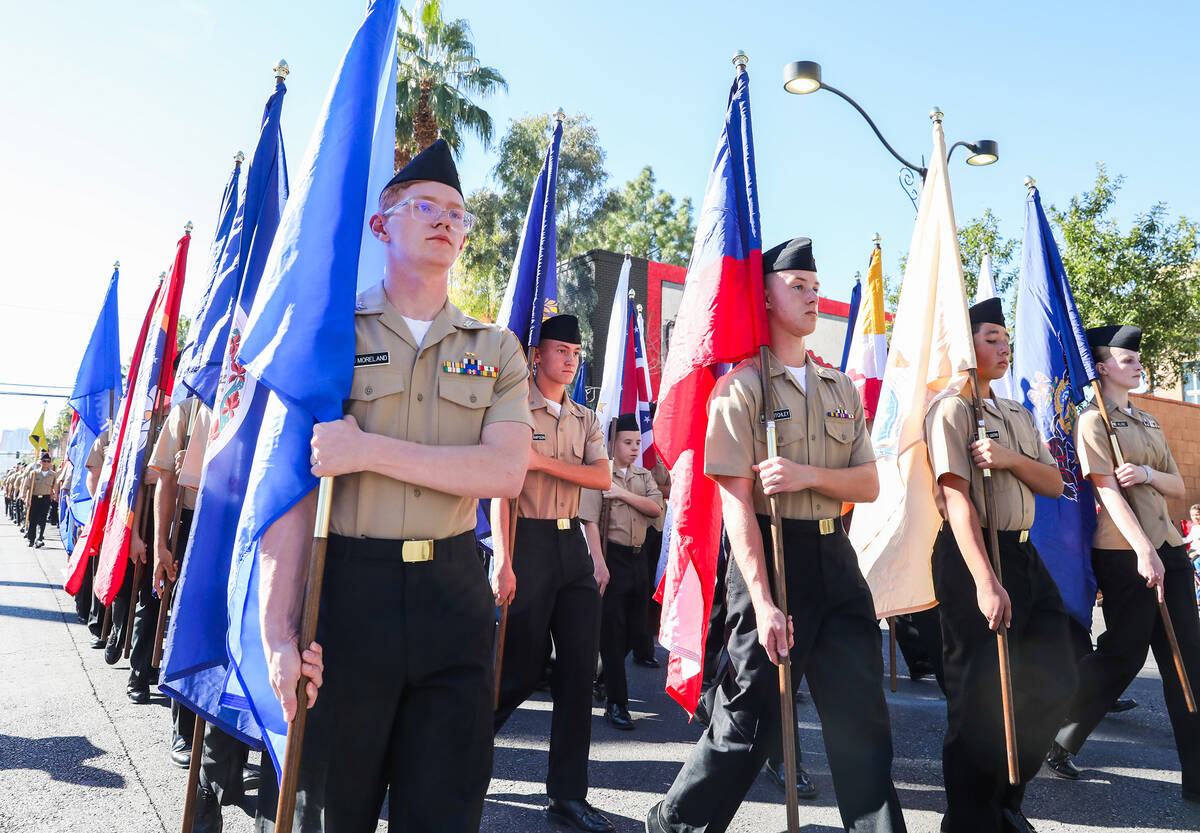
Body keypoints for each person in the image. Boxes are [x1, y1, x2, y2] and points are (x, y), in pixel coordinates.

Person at [256, 139, 533, 833]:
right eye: (426, 207)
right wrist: (277, 633)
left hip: (452, 595)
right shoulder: (331, 336)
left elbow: (503, 471)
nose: (446, 220)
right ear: (382, 225)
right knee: (334, 810)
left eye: (458, 213)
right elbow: (290, 489)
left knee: (443, 812)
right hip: (349, 596)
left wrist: (367, 449)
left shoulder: (494, 348)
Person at [647, 237, 906, 833]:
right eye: (799, 287)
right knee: (750, 727)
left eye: (817, 288)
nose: (814, 297)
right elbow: (737, 504)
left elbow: (867, 484)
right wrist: (763, 602)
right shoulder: (741, 388)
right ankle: (673, 823)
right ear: (763, 296)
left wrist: (806, 475)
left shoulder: (839, 388)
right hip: (770, 554)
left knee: (861, 721)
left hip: (836, 562)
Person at [924, 297, 1075, 833]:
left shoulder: (1016, 414)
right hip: (972, 556)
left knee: (1059, 675)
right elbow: (957, 500)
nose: (1004, 346)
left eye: (1006, 338)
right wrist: (985, 582)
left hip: (1022, 552)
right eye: (991, 338)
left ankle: (1007, 797)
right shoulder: (950, 410)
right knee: (979, 696)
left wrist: (1009, 458)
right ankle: (971, 820)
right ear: (967, 346)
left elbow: (1055, 483)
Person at [1046, 325, 1200, 803]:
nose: (1137, 364)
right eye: (1127, 359)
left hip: (1170, 547)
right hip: (1123, 552)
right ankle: (1055, 732)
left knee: (1188, 663)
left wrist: (1149, 473)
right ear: (1102, 367)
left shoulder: (1149, 422)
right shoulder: (1093, 421)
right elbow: (1107, 490)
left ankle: (1197, 777)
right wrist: (1142, 551)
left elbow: (1178, 487)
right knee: (1124, 653)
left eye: (1138, 358)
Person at [492, 312, 614, 833]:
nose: (569, 360)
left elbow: (602, 476)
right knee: (518, 667)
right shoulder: (516, 409)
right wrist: (503, 556)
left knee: (578, 672)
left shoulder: (585, 418)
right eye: (559, 350)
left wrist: (539, 464)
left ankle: (567, 795)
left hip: (572, 545)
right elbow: (502, 485)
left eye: (575, 352)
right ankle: (458, 752)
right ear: (536, 355)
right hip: (531, 538)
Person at [580, 412, 664, 730]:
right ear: (612, 444)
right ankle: (617, 704)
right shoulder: (600, 475)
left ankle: (603, 676)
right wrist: (599, 564)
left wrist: (621, 494)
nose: (633, 447)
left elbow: (656, 509)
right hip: (611, 558)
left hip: (639, 560)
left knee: (636, 631)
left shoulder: (643, 476)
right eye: (627, 442)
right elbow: (589, 519)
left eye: (637, 442)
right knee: (613, 635)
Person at [25, 453, 56, 547]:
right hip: (34, 498)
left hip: (45, 498)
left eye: (48, 461)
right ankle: (31, 539)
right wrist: (27, 499)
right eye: (44, 461)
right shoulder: (34, 473)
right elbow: (28, 487)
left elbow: (54, 487)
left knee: (43, 519)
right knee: (33, 519)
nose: (46, 463)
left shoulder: (53, 475)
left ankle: (39, 538)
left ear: (50, 463)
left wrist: (54, 496)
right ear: (40, 462)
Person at [1182, 504, 1200, 606]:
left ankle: (1198, 598)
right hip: (1192, 553)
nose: (1195, 517)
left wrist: (1196, 553)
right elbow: (1188, 539)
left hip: (1197, 554)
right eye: (1193, 515)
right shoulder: (1194, 528)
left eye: (1197, 514)